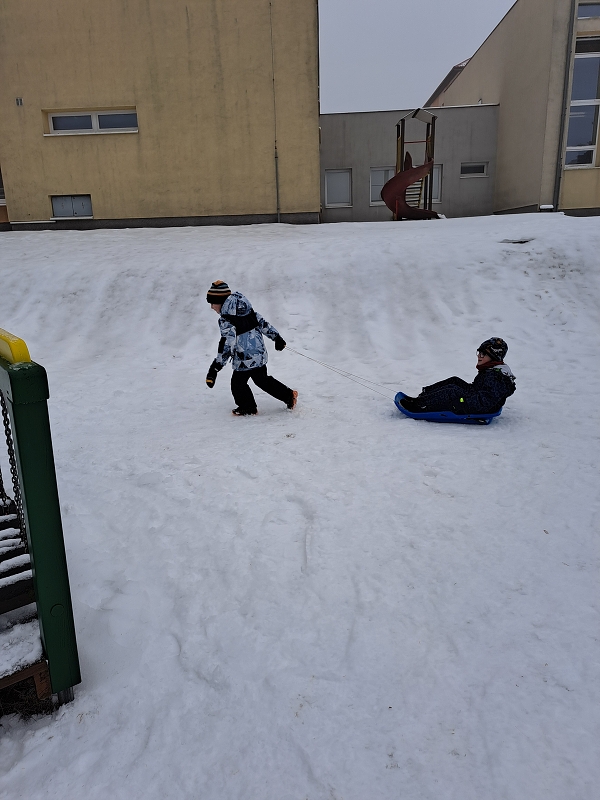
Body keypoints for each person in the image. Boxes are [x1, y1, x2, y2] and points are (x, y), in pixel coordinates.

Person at [205, 280, 298, 416]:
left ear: (221, 302)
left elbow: (227, 344)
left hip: (244, 358)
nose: (212, 307)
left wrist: (215, 367)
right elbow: (262, 323)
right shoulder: (247, 310)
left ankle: (248, 407)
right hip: (258, 354)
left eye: (213, 303)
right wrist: (277, 338)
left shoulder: (226, 320)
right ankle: (289, 395)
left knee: (237, 384)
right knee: (262, 380)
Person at [400, 338, 516, 415]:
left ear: (494, 357)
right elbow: (480, 389)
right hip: (477, 397)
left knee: (452, 391)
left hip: (481, 407)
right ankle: (421, 398)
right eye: (479, 353)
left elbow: (485, 401)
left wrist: (461, 402)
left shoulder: (496, 377)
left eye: (484, 354)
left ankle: (419, 406)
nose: (479, 356)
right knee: (455, 381)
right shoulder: (491, 370)